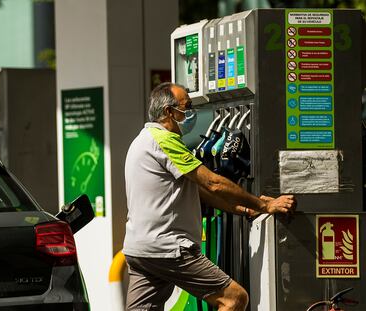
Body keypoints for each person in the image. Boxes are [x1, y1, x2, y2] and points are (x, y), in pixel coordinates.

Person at [123, 82, 296, 311]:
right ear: (168, 112)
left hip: (140, 250)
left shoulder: (143, 140)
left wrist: (243, 209)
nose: (191, 113)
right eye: (187, 107)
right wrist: (264, 204)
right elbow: (212, 183)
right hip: (169, 248)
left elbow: (199, 190)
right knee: (234, 299)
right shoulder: (164, 141)